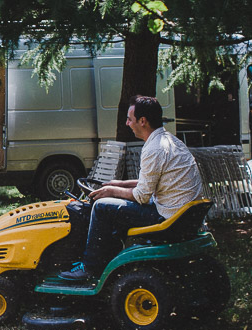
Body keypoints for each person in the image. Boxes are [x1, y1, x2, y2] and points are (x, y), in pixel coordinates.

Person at [60, 95, 203, 281]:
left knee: (102, 206)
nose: (127, 123)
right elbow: (150, 181)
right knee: (112, 203)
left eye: (130, 119)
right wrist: (117, 184)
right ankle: (107, 260)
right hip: (182, 216)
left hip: (169, 219)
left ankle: (90, 268)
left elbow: (142, 196)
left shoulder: (154, 149)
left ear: (142, 121)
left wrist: (110, 192)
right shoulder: (169, 141)